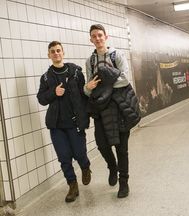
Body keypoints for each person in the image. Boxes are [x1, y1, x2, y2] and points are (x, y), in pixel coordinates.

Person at [85, 24, 139, 198]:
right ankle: (112, 166)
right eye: (94, 36)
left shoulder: (117, 55)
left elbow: (125, 79)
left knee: (122, 148)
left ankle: (124, 183)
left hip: (120, 107)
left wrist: (105, 85)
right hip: (101, 108)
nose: (98, 38)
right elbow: (89, 86)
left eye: (100, 35)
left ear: (106, 37)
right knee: (101, 144)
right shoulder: (90, 61)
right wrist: (88, 88)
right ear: (91, 39)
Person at [37, 41, 91, 203]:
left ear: (63, 53)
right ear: (49, 55)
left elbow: (83, 95)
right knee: (64, 157)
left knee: (79, 153)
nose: (56, 53)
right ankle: (72, 185)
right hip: (56, 125)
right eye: (52, 51)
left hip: (74, 122)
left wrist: (85, 118)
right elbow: (41, 99)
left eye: (58, 50)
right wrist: (53, 92)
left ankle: (85, 166)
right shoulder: (46, 78)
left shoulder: (75, 73)